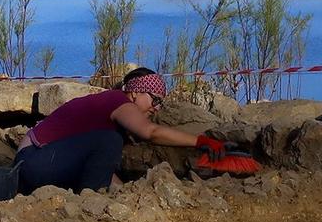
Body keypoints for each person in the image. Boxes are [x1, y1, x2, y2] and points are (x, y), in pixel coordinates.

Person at [14, 67, 225, 195]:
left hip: (37, 164)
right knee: (110, 140)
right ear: (134, 92)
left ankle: (90, 198)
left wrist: (126, 195)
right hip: (32, 161)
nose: (157, 107)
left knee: (109, 143)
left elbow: (101, 169)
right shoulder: (118, 100)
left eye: (161, 102)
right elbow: (150, 132)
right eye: (155, 99)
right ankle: (88, 202)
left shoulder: (109, 111)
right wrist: (201, 141)